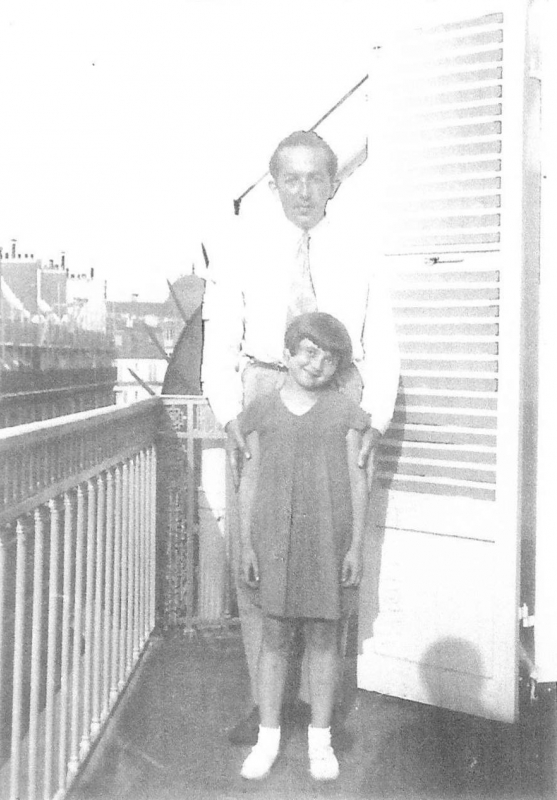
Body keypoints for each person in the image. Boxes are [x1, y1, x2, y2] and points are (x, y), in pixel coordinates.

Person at [201, 129, 400, 746]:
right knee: (258, 547)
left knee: (332, 544)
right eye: (292, 178)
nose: (305, 191)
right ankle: (266, 701)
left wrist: (377, 420)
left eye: (317, 178)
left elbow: (385, 341)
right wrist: (230, 417)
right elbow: (219, 344)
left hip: (340, 393)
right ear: (273, 184)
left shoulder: (362, 248)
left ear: (334, 185)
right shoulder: (241, 248)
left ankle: (319, 703)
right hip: (265, 391)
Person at [237, 312, 370, 781]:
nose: (317, 364)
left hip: (327, 543)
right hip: (274, 541)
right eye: (309, 353)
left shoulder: (346, 413)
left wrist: (355, 547)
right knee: (273, 641)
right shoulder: (261, 411)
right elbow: (249, 480)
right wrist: (247, 544)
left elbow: (358, 482)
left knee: (324, 642)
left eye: (329, 358)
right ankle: (267, 738)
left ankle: (321, 742)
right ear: (287, 354)